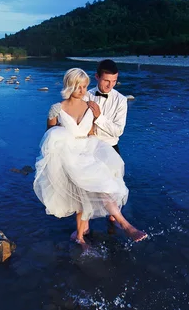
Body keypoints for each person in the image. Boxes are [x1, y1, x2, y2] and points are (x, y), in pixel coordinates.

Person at [33, 68, 147, 247]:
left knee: (104, 186)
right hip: (67, 157)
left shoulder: (91, 106)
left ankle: (122, 225)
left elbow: (92, 133)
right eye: (78, 87)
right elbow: (49, 136)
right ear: (69, 86)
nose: (82, 91)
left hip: (87, 153)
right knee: (81, 197)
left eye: (85, 86)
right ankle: (83, 235)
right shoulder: (56, 108)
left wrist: (99, 153)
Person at [85, 59, 126, 155]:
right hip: (87, 147)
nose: (110, 85)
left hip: (110, 149)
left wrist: (99, 117)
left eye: (114, 81)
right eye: (106, 81)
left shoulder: (121, 100)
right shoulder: (85, 96)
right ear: (97, 77)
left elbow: (118, 131)